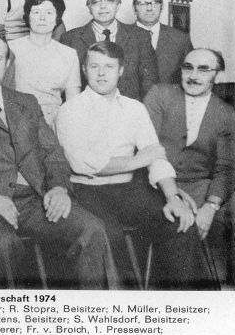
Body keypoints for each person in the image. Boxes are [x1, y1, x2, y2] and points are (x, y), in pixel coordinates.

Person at [0, 35, 118, 289]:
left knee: (91, 229)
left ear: (7, 64)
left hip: (36, 199)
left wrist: (59, 188)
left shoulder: (26, 101)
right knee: (4, 246)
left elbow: (52, 151)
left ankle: (93, 308)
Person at [55, 41, 213, 289]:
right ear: (84, 70)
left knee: (179, 223)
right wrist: (140, 160)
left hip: (128, 189)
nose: (101, 73)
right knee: (108, 236)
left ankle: (183, 303)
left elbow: (157, 157)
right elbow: (83, 164)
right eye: (94, 66)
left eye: (109, 67)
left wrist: (172, 196)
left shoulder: (134, 108)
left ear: (121, 70)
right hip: (86, 191)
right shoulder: (70, 110)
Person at [144, 48, 235, 285]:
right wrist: (172, 191)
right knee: (181, 225)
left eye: (203, 69)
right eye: (188, 67)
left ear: (217, 75)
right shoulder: (160, 95)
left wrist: (210, 206)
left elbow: (226, 168)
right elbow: (147, 147)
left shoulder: (227, 114)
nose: (193, 75)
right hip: (157, 183)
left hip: (201, 186)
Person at [60, 0, 158, 101]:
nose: (103, 6)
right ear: (89, 8)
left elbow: (150, 84)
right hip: (87, 109)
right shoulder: (70, 39)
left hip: (129, 110)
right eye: (96, 2)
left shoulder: (140, 36)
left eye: (110, 0)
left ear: (118, 5)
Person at [9, 0, 81, 130]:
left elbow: (73, 103)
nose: (42, 18)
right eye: (36, 12)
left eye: (49, 13)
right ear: (27, 16)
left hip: (54, 123)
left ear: (57, 19)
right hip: (17, 122)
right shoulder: (11, 48)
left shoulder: (69, 54)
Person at [132, 0, 194, 83]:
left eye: (154, 3)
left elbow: (192, 72)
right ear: (134, 8)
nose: (149, 8)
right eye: (143, 4)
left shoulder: (180, 38)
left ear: (162, 7)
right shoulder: (121, 36)